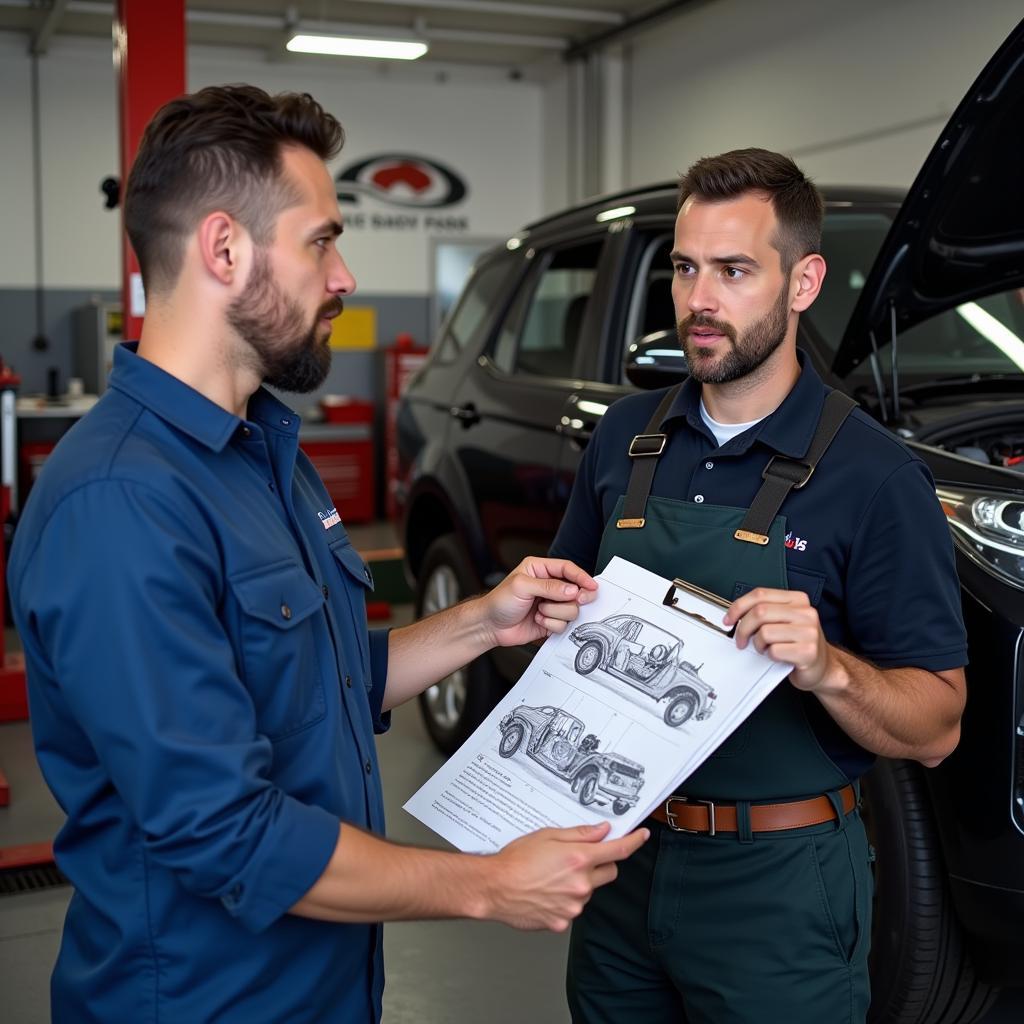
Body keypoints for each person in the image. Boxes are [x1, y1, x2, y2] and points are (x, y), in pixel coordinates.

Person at [6, 84, 648, 1024]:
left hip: (324, 990)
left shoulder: (266, 455)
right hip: (200, 1002)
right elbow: (229, 835)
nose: (344, 276)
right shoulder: (121, 504)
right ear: (224, 249)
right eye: (321, 240)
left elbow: (327, 682)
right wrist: (486, 884)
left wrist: (482, 620)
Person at [548, 148, 967, 1023]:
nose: (700, 300)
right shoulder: (624, 438)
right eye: (686, 268)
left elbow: (936, 728)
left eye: (734, 271)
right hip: (617, 863)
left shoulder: (877, 479)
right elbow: (563, 628)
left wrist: (830, 668)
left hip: (778, 889)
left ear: (803, 281)